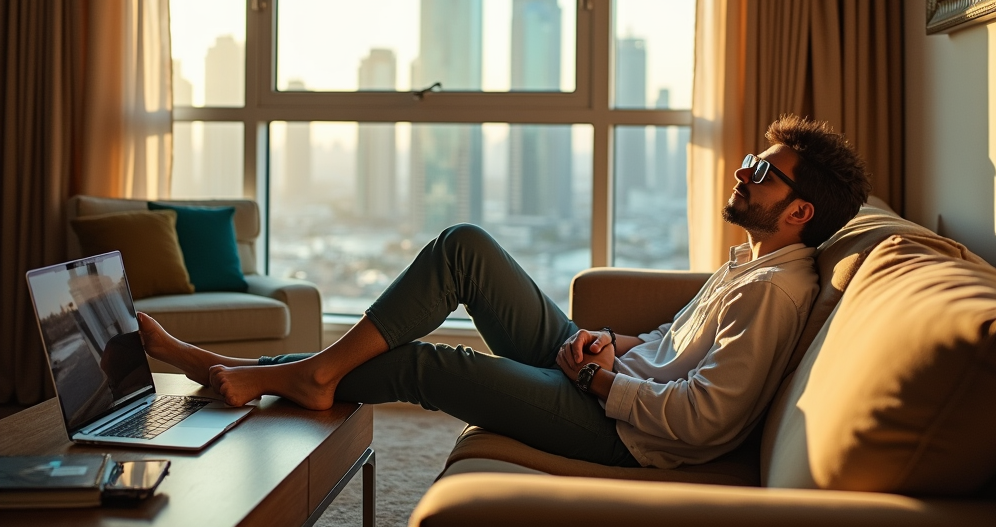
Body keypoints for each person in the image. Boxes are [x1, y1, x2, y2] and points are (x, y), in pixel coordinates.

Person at [139, 115, 870, 468]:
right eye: (750, 160)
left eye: (762, 172)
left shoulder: (774, 293)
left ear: (800, 211)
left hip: (625, 431)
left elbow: (704, 420)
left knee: (433, 366)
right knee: (465, 247)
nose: (743, 171)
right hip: (607, 380)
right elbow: (673, 347)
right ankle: (310, 374)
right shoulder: (749, 264)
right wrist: (608, 345)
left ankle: (268, 373)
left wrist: (605, 381)